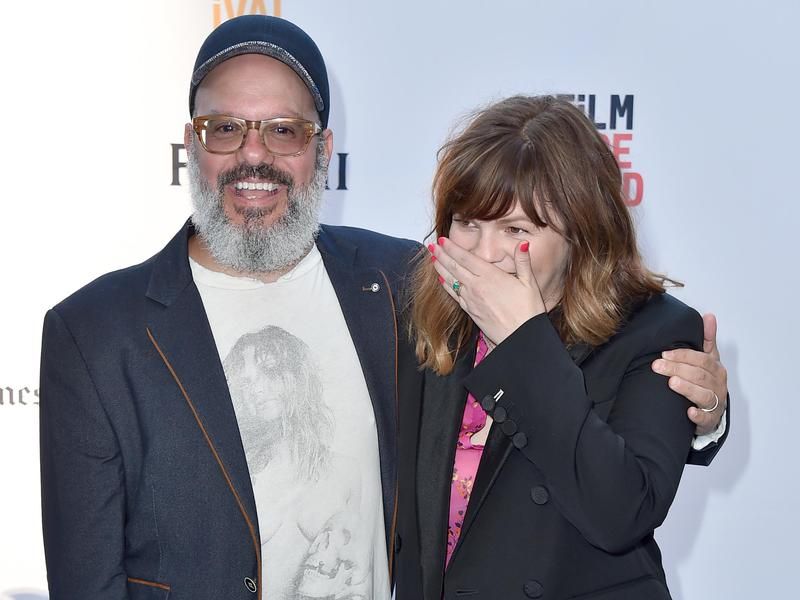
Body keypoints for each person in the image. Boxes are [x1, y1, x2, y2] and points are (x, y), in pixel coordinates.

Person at [38, 15, 727, 600]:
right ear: (192, 145)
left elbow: (615, 449)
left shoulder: (393, 282)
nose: (255, 155)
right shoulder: (95, 332)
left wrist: (701, 416)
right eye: (225, 128)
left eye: (284, 130)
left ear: (323, 152)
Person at [394, 95, 730, 599]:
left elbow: (620, 513)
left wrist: (524, 344)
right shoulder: (428, 310)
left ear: (580, 229)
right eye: (467, 223)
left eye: (515, 229)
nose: (485, 255)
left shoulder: (655, 331)